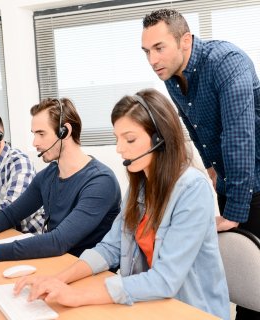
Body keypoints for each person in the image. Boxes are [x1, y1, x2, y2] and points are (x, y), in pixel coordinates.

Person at [14, 89, 230, 320]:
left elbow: (165, 279)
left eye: (130, 139)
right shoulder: (141, 186)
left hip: (187, 310)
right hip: (145, 304)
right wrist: (57, 280)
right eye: (117, 139)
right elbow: (110, 248)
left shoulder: (191, 189)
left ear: (160, 138)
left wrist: (78, 295)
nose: (119, 148)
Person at [141, 10, 259, 319]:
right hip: (232, 182)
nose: (152, 60)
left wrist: (234, 211)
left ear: (185, 40)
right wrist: (210, 167)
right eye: (147, 51)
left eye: (159, 48)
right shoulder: (172, 76)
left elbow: (239, 136)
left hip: (253, 182)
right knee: (246, 284)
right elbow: (193, 126)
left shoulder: (226, 63)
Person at [0, 98, 121, 263]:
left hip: (85, 272)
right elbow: (9, 215)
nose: (34, 142)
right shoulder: (47, 176)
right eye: (34, 134)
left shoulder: (100, 181)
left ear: (65, 131)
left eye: (41, 134)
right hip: (55, 262)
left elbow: (58, 241)